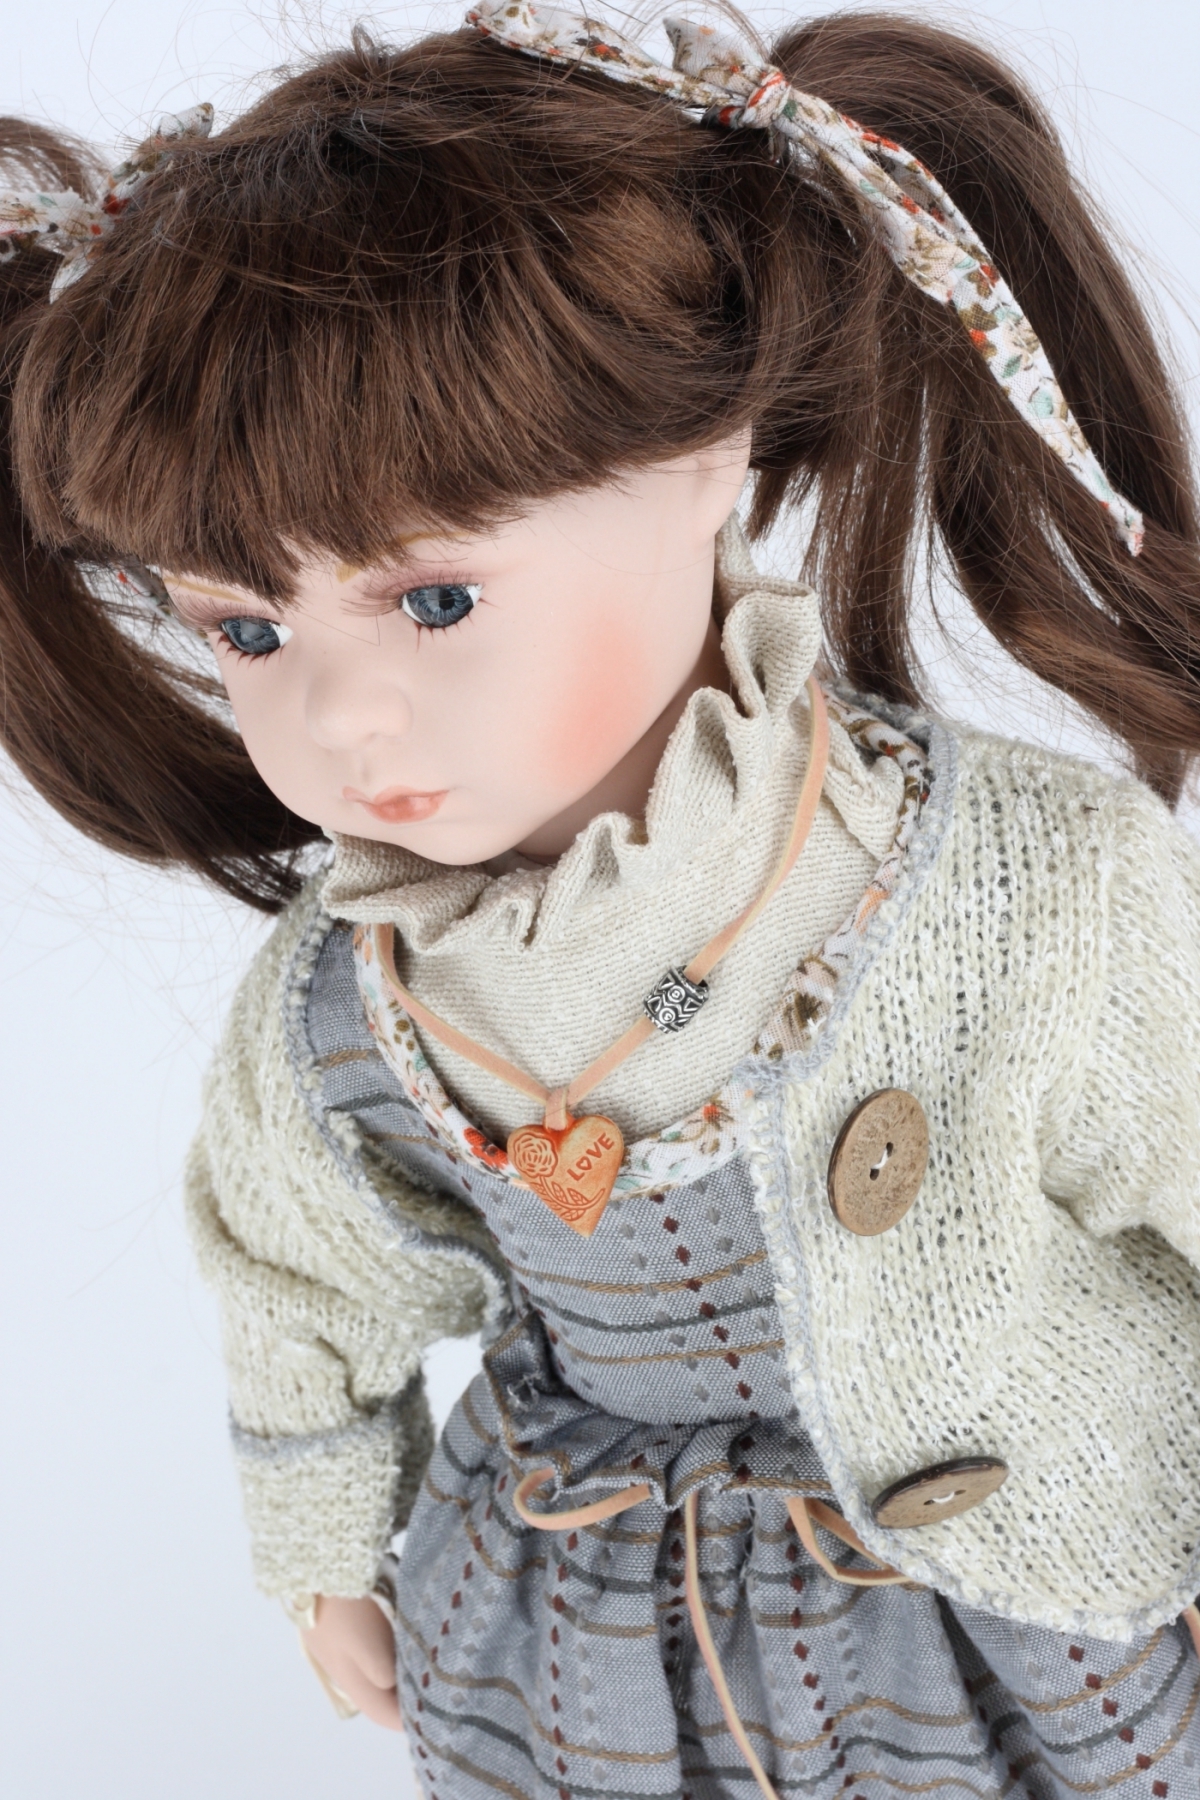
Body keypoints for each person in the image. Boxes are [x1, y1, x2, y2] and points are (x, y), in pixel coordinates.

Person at [3, 4, 1200, 1793]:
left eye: (432, 599)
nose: (339, 715)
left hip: (1011, 1613)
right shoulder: (352, 1002)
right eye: (247, 631)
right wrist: (325, 1548)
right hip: (588, 1634)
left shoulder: (1025, 890)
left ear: (709, 466)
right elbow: (302, 1280)